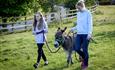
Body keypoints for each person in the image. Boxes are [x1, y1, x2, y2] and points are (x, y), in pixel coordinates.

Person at [70, 0, 93, 70]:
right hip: (79, 34)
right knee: (76, 48)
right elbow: (78, 25)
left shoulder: (88, 13)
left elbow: (90, 24)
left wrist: (89, 34)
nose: (78, 9)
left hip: (86, 34)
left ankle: (85, 64)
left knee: (85, 49)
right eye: (77, 8)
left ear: (82, 6)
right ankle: (84, 58)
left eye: (79, 8)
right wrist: (73, 29)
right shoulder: (78, 13)